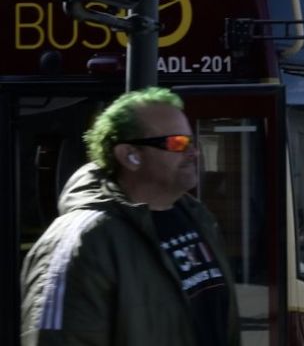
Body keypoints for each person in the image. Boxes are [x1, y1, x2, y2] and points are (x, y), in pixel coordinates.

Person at [20, 87, 240, 345]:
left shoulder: (197, 218)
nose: (194, 152)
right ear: (130, 156)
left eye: (192, 142)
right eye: (178, 143)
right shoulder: (82, 240)